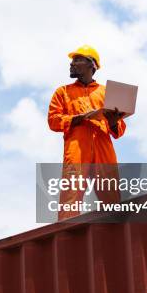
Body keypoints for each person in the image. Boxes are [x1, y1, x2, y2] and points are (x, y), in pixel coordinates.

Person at [47, 45, 126, 220]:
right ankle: (67, 238)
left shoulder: (106, 92)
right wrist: (78, 118)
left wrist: (113, 122)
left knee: (112, 200)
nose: (72, 64)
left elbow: (119, 130)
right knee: (70, 197)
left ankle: (117, 237)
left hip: (103, 149)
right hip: (77, 150)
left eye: (77, 60)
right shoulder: (63, 92)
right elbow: (53, 121)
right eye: (72, 61)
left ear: (92, 65)